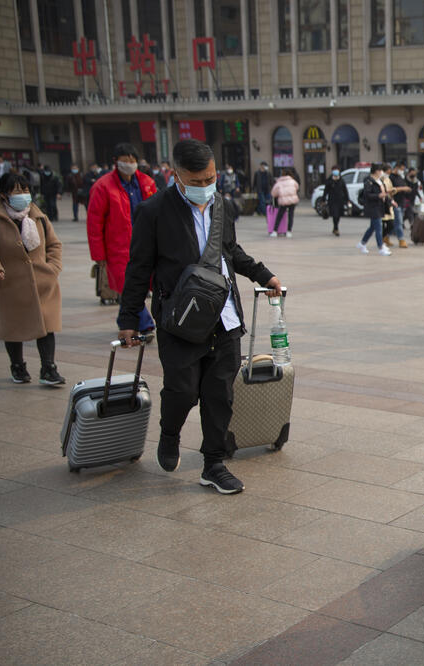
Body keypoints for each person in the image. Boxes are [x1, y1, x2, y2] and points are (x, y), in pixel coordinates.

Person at [118, 139, 282, 495]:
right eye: (196, 180)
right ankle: (170, 433)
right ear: (175, 175)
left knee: (219, 394)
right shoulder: (154, 211)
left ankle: (213, 464)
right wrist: (129, 317)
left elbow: (230, 251)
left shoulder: (221, 204)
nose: (205, 186)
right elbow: (138, 268)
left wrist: (263, 275)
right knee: (182, 390)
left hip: (223, 316)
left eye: (210, 177)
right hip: (180, 320)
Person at [0, 172, 65, 385]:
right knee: (14, 328)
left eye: (25, 190)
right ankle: (17, 366)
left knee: (47, 325)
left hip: (42, 282)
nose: (23, 195)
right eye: (17, 191)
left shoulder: (38, 217)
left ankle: (48, 368)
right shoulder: (0, 219)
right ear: (4, 195)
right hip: (11, 285)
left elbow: (54, 245)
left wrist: (53, 267)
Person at [87, 143, 158, 335]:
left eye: (133, 161)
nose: (130, 164)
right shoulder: (103, 187)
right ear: (116, 162)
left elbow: (158, 211)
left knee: (146, 284)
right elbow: (94, 223)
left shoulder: (147, 182)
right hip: (118, 247)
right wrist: (98, 254)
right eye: (125, 161)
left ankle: (125, 319)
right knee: (128, 286)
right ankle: (144, 324)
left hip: (147, 244)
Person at [357, 163, 391, 256]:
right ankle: (380, 247)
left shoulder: (379, 181)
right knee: (378, 228)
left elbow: (384, 192)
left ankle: (362, 243)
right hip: (373, 207)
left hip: (380, 206)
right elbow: (367, 195)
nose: (382, 172)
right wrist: (378, 195)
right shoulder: (368, 181)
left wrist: (390, 201)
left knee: (372, 227)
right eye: (381, 170)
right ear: (376, 171)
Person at [270, 168, 299, 238]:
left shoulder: (279, 182)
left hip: (283, 201)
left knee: (279, 215)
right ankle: (289, 231)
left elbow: (273, 193)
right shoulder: (293, 181)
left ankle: (275, 231)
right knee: (291, 215)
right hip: (292, 200)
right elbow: (297, 187)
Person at [388, 163, 411, 248]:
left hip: (401, 202)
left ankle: (386, 237)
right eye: (401, 169)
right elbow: (390, 190)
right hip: (394, 202)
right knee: (399, 222)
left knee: (395, 223)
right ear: (396, 168)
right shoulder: (391, 177)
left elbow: (404, 185)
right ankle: (401, 239)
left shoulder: (401, 177)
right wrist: (403, 188)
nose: (402, 171)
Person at [322, 165, 349, 236]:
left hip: (340, 200)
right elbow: (325, 191)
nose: (336, 171)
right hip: (332, 200)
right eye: (334, 170)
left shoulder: (341, 180)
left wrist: (347, 199)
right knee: (335, 214)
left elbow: (345, 190)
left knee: (338, 215)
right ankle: (336, 228)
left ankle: (335, 227)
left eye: (337, 170)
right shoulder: (329, 180)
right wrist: (323, 199)